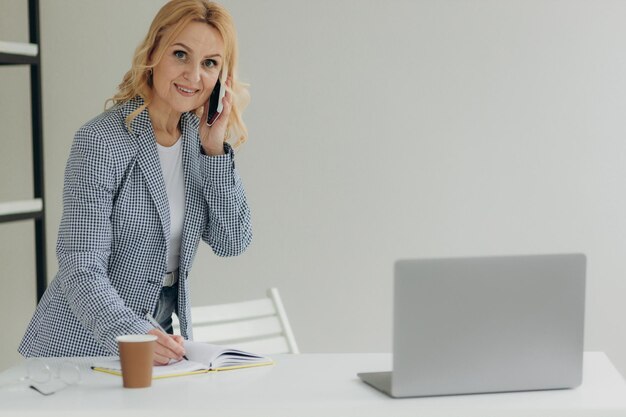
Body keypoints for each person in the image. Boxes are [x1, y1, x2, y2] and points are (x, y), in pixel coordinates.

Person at [19, 0, 252, 365]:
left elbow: (233, 240)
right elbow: (80, 264)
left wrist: (214, 149)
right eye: (180, 54)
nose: (194, 75)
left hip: (162, 336)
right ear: (154, 52)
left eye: (210, 63)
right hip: (81, 347)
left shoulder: (198, 141)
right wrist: (131, 333)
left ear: (223, 77)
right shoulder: (101, 141)